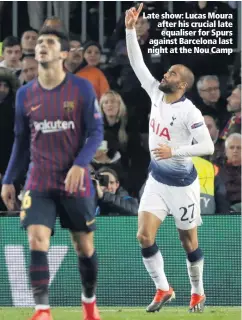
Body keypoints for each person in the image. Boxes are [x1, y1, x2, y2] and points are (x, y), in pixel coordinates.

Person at [1, 26, 103, 320]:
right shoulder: (24, 94)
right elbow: (21, 142)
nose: (42, 46)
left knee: (84, 247)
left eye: (49, 42)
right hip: (39, 179)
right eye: (40, 42)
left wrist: (80, 164)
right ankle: (42, 310)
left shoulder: (81, 88)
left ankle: (89, 303)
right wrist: (9, 178)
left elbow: (96, 132)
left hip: (75, 179)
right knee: (36, 240)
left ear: (64, 53)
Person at [125, 4, 214, 313]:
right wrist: (129, 30)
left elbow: (207, 147)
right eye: (167, 70)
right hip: (157, 180)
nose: (166, 74)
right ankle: (163, 288)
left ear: (183, 84)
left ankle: (198, 291)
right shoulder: (155, 92)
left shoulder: (189, 111)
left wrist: (173, 151)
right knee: (143, 235)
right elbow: (137, 64)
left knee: (188, 242)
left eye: (172, 73)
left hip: (182, 184)